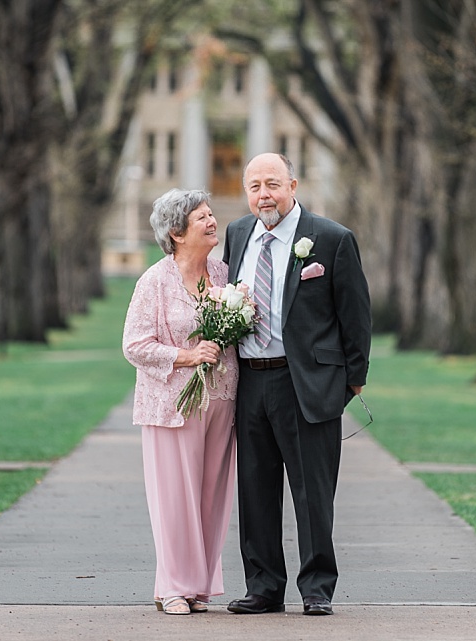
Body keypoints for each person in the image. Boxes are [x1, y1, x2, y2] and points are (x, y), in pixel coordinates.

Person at [223, 153, 371, 616]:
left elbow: (356, 315)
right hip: (250, 381)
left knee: (312, 493)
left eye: (271, 184)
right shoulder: (237, 234)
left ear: (293, 184)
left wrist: (352, 382)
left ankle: (316, 589)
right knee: (255, 490)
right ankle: (263, 587)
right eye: (253, 186)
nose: (262, 194)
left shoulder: (330, 239)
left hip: (306, 383)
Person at [122, 188, 238, 616]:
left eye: (212, 215)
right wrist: (187, 356)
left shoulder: (225, 275)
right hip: (171, 406)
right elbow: (134, 345)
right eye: (202, 218)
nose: (212, 222)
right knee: (174, 497)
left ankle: (200, 584)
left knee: (211, 494)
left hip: (223, 399)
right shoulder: (154, 280)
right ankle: (171, 585)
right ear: (176, 232)